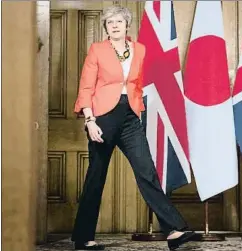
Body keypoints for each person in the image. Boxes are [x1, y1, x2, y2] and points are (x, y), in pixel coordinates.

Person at [71, 6, 195, 251]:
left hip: (130, 116)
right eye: (110, 22)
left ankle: (173, 230)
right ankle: (83, 238)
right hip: (102, 118)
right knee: (96, 177)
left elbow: (136, 82)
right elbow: (86, 86)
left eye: (119, 21)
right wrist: (89, 120)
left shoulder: (140, 50)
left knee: (146, 170)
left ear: (127, 25)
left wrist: (138, 108)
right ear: (106, 27)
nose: (115, 25)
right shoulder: (97, 50)